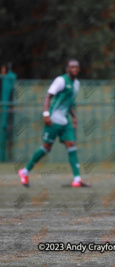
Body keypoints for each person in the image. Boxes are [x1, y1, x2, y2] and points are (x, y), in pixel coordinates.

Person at [18, 59, 89, 187]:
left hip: (65, 121)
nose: (75, 69)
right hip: (53, 120)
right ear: (67, 69)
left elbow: (69, 102)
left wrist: (74, 117)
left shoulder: (77, 84)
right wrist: (46, 114)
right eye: (72, 67)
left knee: (71, 146)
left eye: (77, 67)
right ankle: (24, 172)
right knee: (46, 148)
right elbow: (48, 97)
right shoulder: (60, 81)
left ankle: (77, 179)